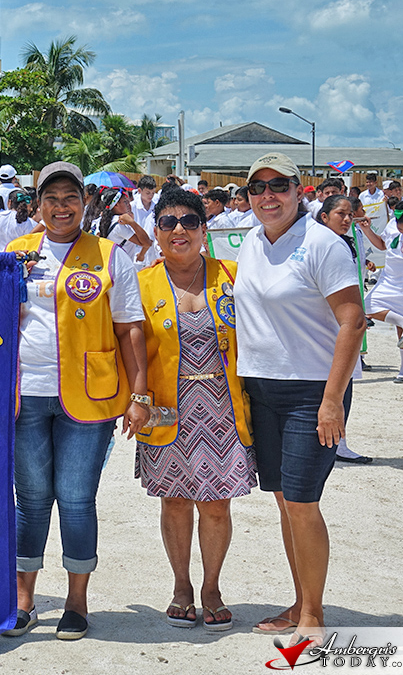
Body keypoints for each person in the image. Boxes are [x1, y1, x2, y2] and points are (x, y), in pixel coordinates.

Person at [3, 161, 149, 641]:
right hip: (25, 394)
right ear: (37, 204)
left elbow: (130, 328)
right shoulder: (15, 252)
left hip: (90, 398)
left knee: (76, 499)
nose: (60, 206)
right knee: (31, 499)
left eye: (70, 197)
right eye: (51, 198)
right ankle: (23, 599)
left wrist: (139, 394)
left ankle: (76, 601)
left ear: (85, 202)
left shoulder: (110, 256)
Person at [235, 153, 365, 644]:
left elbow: (352, 320)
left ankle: (313, 613)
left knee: (304, 503)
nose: (268, 196)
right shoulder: (250, 241)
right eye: (258, 187)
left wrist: (332, 401)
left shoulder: (322, 244)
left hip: (311, 393)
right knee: (285, 502)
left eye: (280, 185)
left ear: (299, 190)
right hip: (261, 389)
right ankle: (299, 601)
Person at [134, 188, 256, 631]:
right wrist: (135, 399)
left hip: (223, 409)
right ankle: (182, 586)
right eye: (168, 223)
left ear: (205, 230)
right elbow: (127, 348)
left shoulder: (234, 275)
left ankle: (212, 588)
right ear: (156, 232)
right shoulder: (142, 284)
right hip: (167, 409)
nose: (178, 230)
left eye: (189, 221)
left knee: (218, 506)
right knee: (176, 503)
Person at [312, 196, 373, 463]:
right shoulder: (317, 245)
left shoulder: (348, 241)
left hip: (341, 321)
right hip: (323, 327)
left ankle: (341, 441)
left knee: (343, 382)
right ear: (324, 216)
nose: (347, 220)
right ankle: (336, 444)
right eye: (341, 214)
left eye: (350, 215)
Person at [357, 201, 403, 383]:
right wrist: (367, 230)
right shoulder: (391, 226)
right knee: (365, 307)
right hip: (388, 279)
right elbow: (382, 245)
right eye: (402, 229)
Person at [84, 187, 152, 266]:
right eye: (125, 202)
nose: (128, 204)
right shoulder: (119, 224)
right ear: (116, 204)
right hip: (120, 270)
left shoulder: (98, 220)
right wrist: (132, 223)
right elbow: (147, 243)